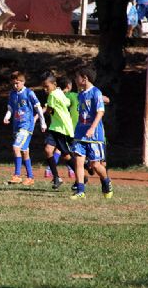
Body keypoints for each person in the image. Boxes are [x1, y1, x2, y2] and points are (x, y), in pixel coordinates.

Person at [70, 67, 113, 200]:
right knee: (78, 161)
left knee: (95, 165)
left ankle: (106, 182)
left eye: (77, 77)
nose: (75, 80)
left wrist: (92, 128)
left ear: (84, 78)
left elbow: (100, 112)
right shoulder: (81, 94)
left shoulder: (96, 92)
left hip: (94, 135)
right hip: (80, 133)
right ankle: (81, 191)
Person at [4, 71, 46, 186]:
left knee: (15, 147)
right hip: (16, 126)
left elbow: (38, 107)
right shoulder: (12, 94)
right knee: (24, 151)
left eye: (17, 83)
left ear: (23, 82)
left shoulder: (29, 93)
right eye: (13, 83)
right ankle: (30, 177)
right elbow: (10, 108)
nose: (15, 86)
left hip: (26, 126)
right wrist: (7, 117)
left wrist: (43, 122)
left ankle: (17, 175)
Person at [41, 72, 76, 190]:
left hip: (61, 129)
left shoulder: (52, 96)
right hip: (56, 128)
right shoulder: (59, 92)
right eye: (44, 87)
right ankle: (56, 177)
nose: (45, 89)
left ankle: (82, 176)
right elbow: (67, 103)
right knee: (48, 149)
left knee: (66, 155)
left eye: (47, 86)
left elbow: (50, 110)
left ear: (54, 84)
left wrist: (48, 108)